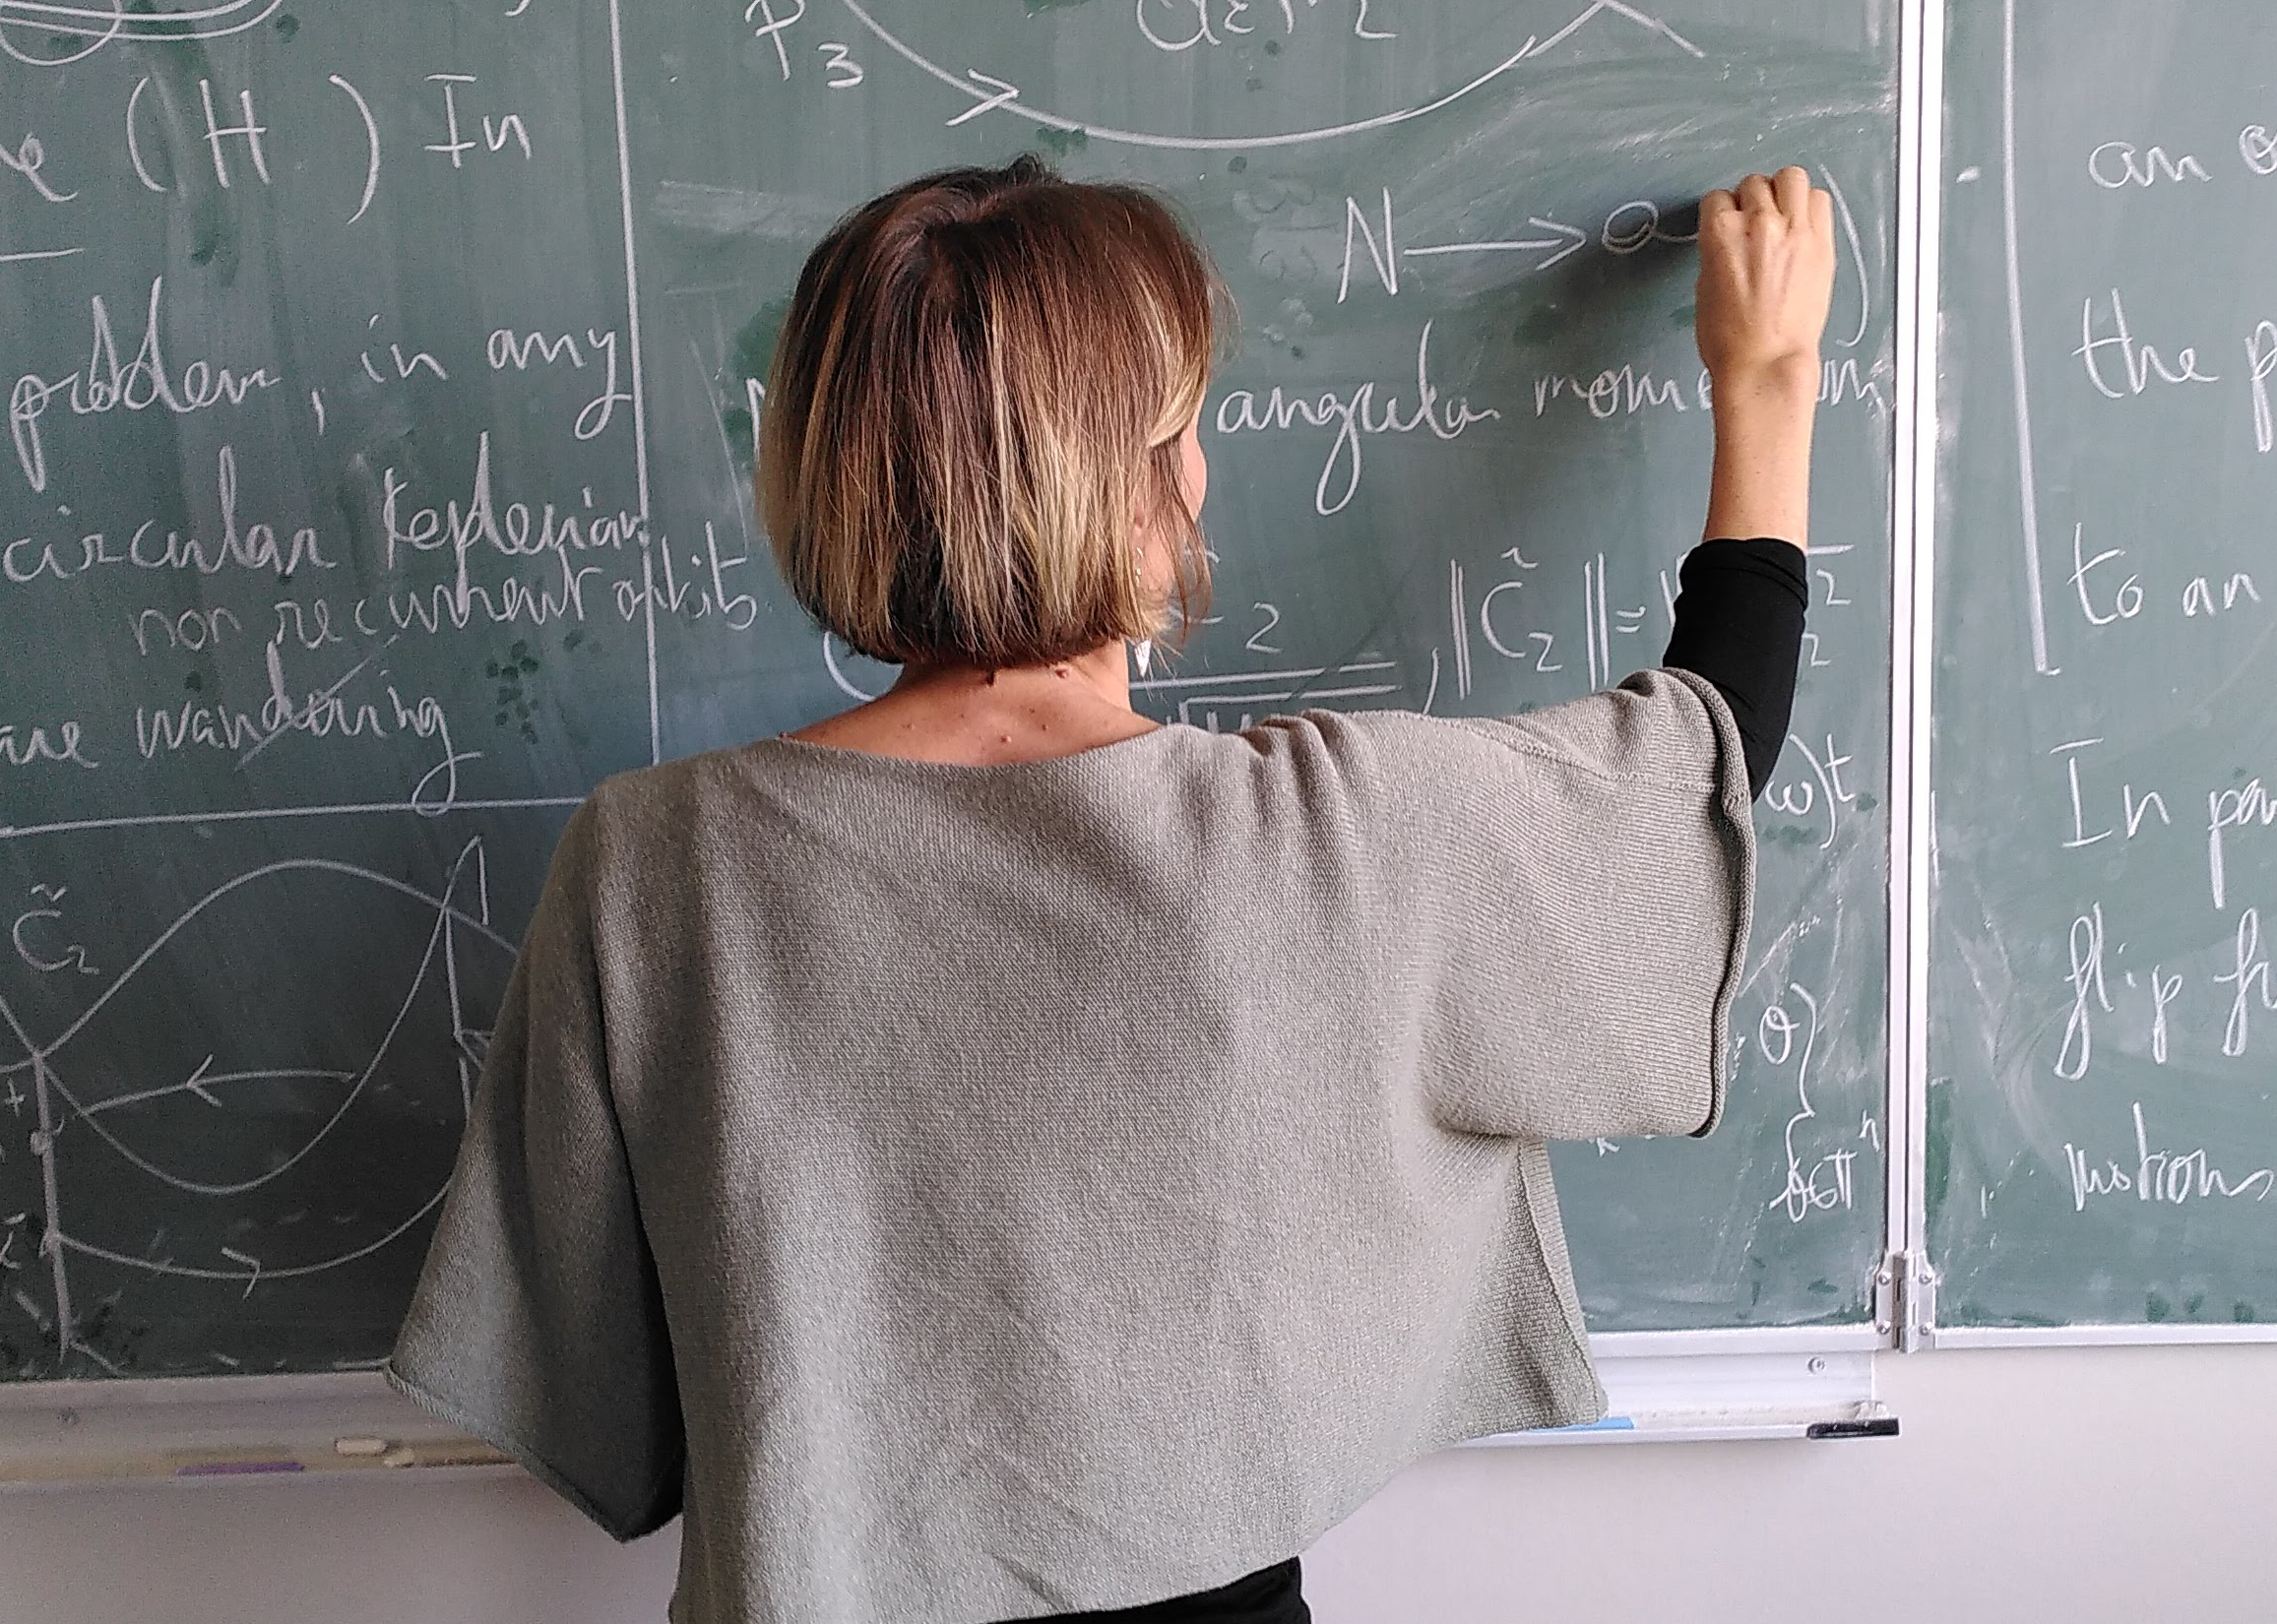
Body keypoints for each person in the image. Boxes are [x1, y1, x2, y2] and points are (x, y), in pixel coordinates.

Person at [385, 156, 1833, 1624]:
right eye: (1183, 428)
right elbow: (1696, 765)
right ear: (1145, 479)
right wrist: (1768, 375)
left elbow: (594, 1370)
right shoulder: (1325, 834)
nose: (1199, 466)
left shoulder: (650, 864)